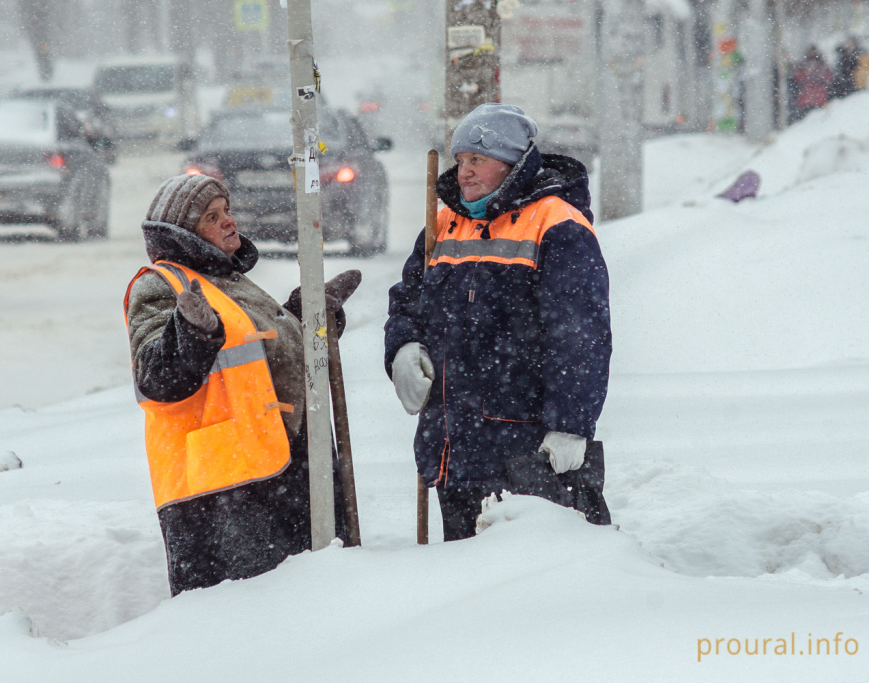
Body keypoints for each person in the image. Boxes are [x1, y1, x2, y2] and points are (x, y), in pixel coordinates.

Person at [384, 103, 612, 542]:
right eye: (460, 160)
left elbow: (580, 337)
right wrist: (403, 347)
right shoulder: (444, 223)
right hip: (450, 447)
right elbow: (407, 300)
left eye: (478, 159)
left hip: (521, 450)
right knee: (458, 569)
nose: (464, 172)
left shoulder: (557, 225)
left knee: (524, 570)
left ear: (512, 164)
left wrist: (570, 424)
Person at [124, 174, 360, 594]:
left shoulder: (226, 279)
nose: (229, 221)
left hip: (280, 469)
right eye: (212, 217)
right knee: (253, 613)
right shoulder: (160, 286)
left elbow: (259, 356)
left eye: (227, 211)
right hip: (225, 492)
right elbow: (155, 379)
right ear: (184, 233)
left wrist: (307, 316)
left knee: (317, 598)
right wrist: (191, 332)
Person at [793, 46, 832, 121]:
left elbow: (828, 77)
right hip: (807, 97)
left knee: (819, 120)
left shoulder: (821, 64)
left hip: (818, 96)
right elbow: (797, 78)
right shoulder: (804, 64)